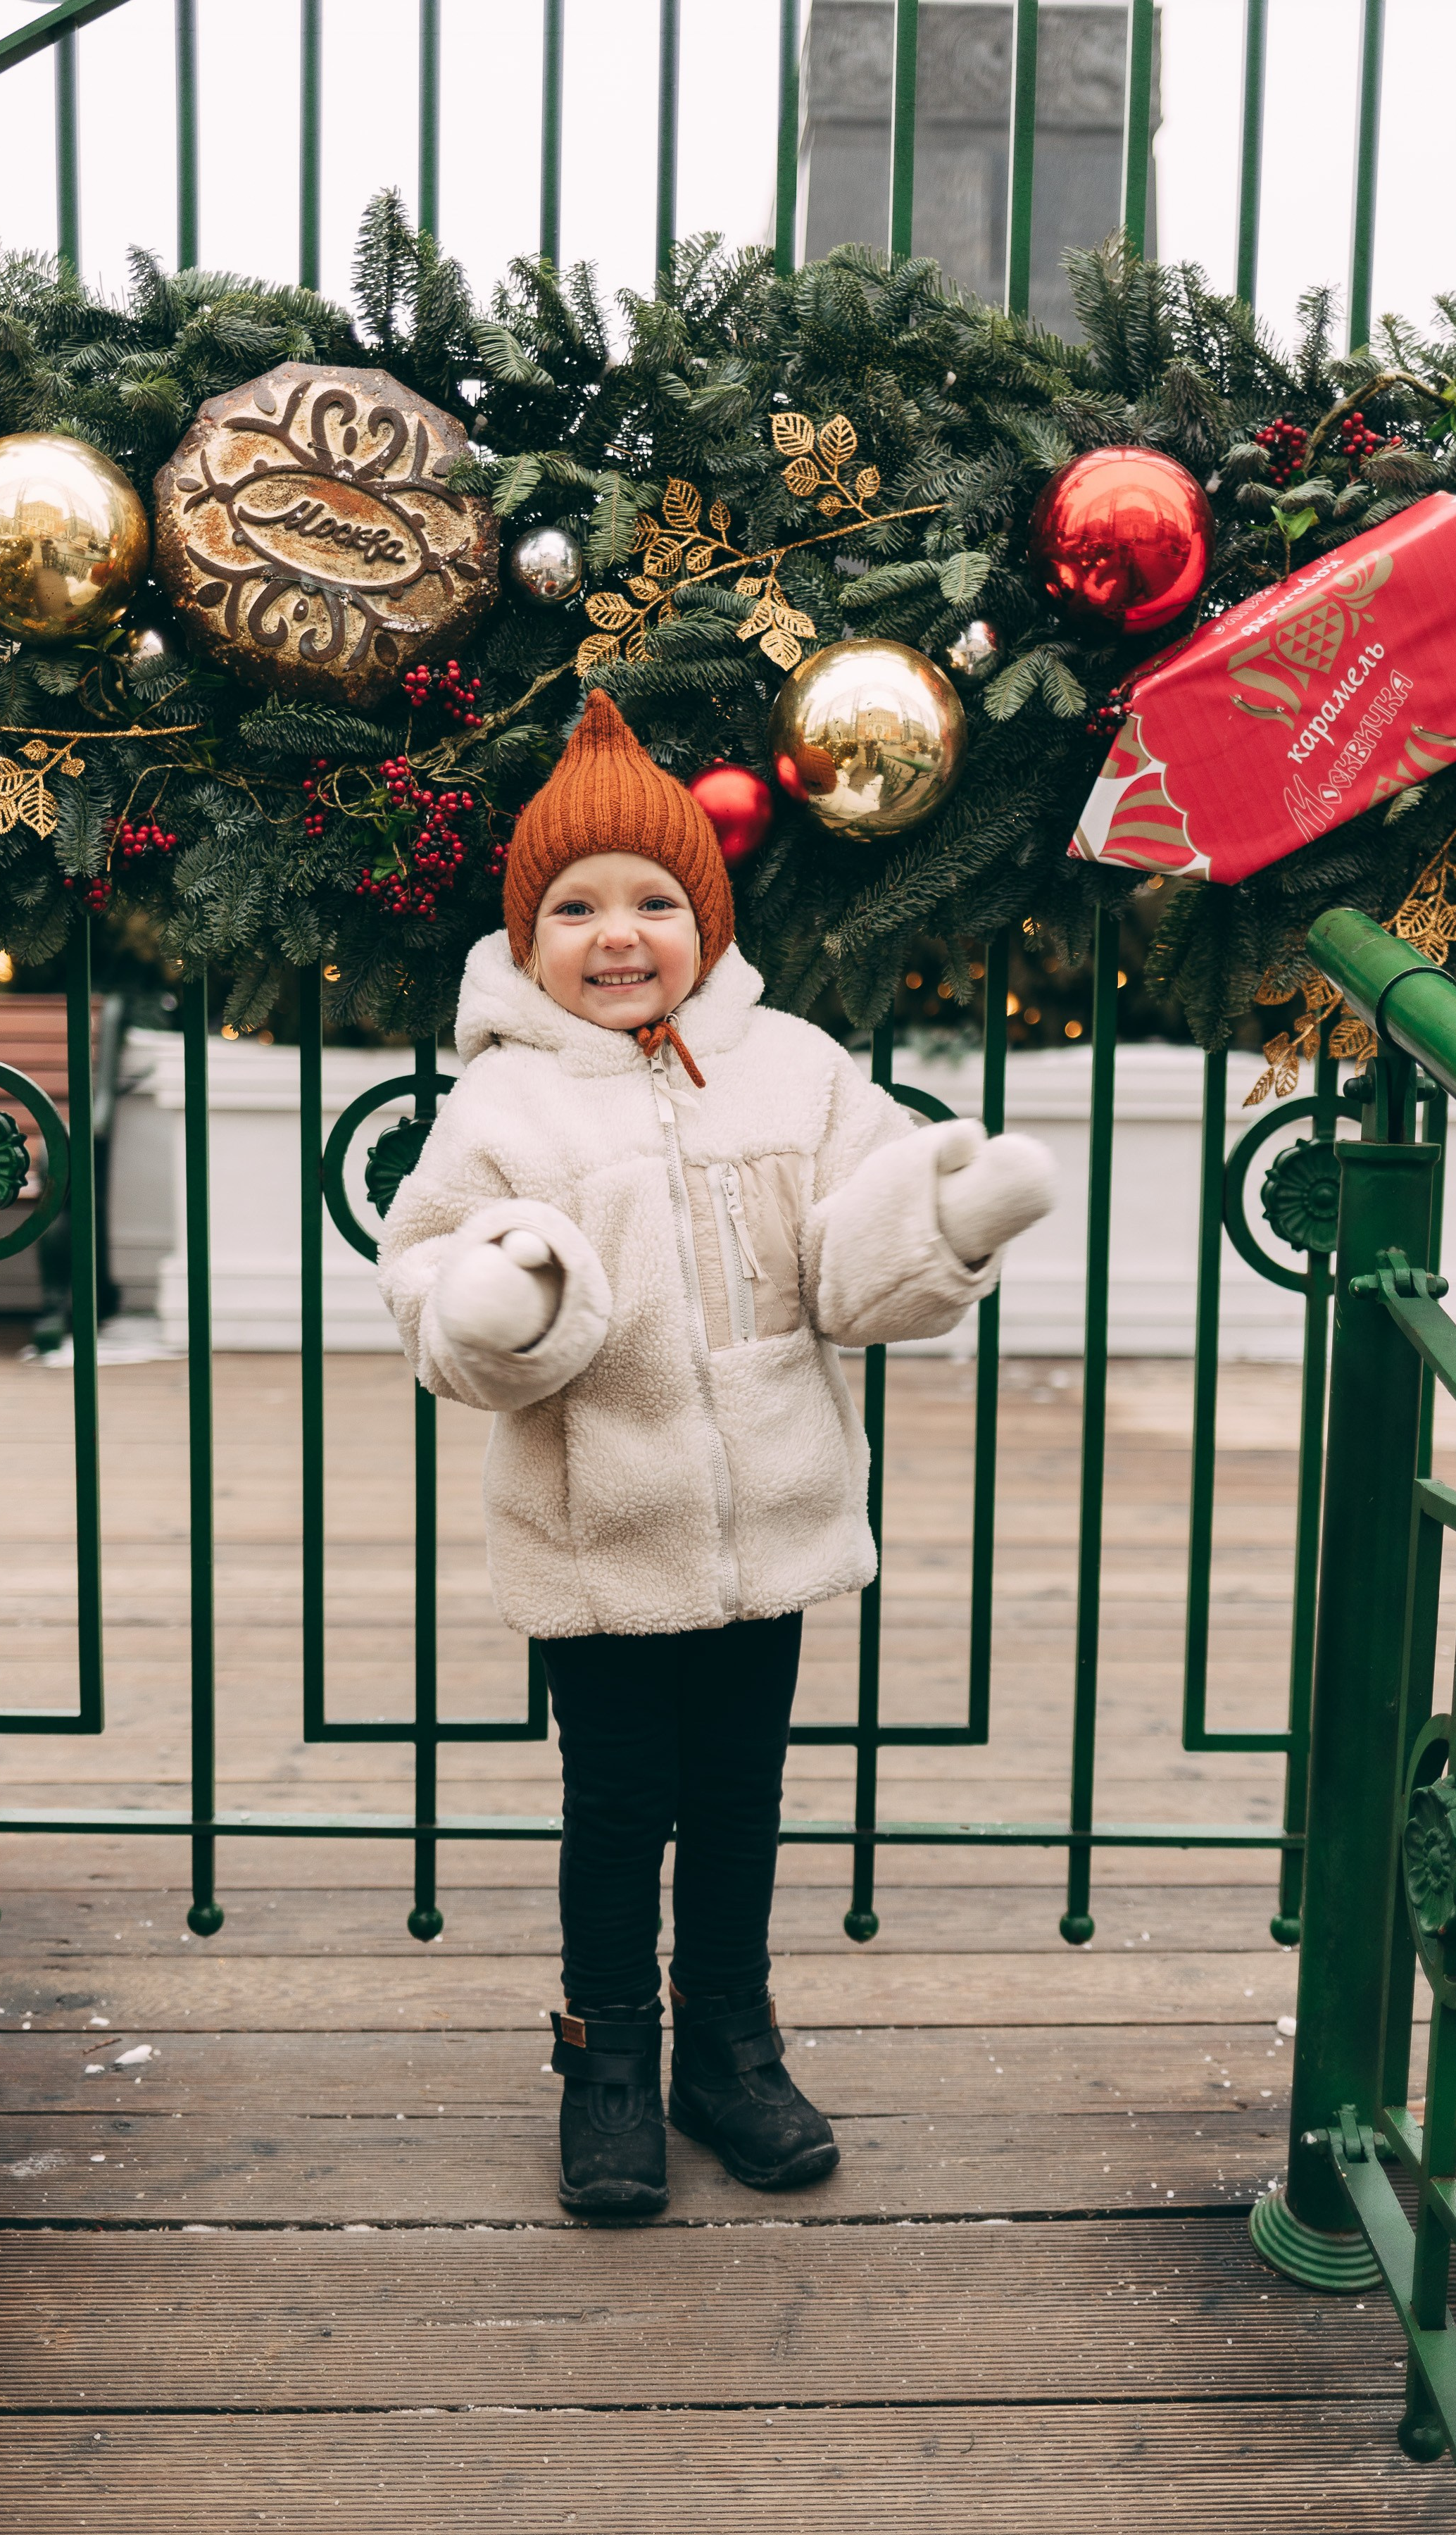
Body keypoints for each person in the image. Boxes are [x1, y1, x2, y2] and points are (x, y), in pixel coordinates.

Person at [379, 689, 1055, 2218]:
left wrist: (938, 1221)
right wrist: (495, 1298)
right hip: (600, 1537)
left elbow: (852, 1258)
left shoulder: (794, 1070)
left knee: (742, 1796)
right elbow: (428, 1269)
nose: (617, 937)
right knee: (620, 1806)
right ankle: (608, 2058)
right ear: (526, 939)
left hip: (774, 1522)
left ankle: (729, 2051)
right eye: (574, 909)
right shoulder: (504, 1100)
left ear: (707, 920)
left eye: (653, 903)